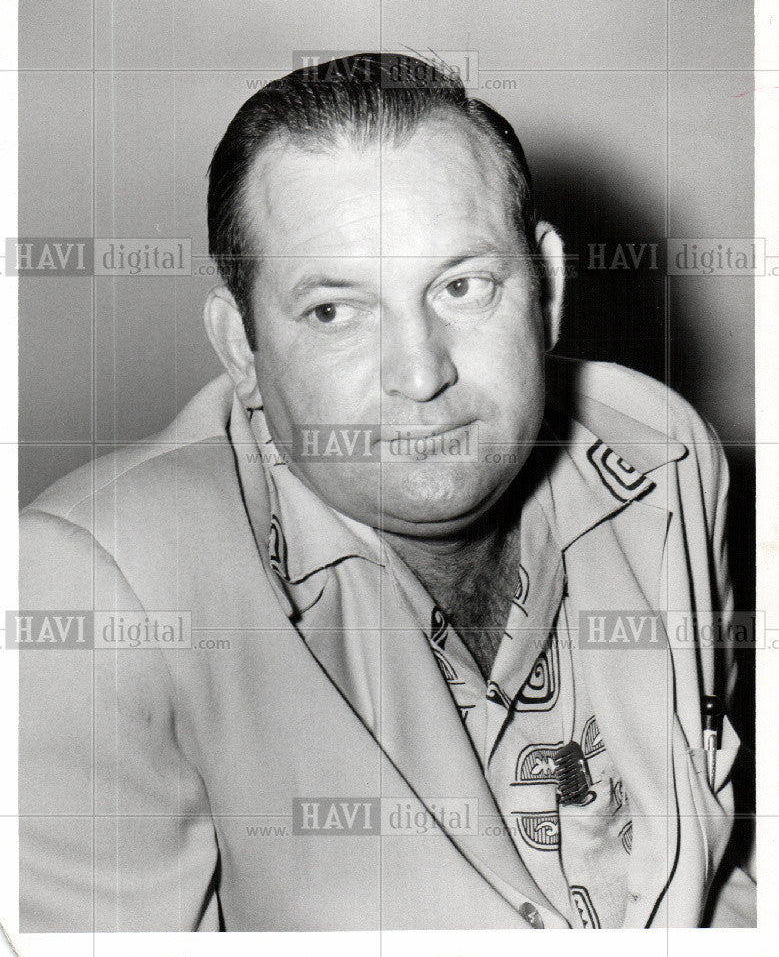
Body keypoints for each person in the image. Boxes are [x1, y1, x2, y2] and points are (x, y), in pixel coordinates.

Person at [19, 53, 755, 931]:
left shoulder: (662, 453)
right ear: (242, 349)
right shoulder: (97, 587)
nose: (419, 373)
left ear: (547, 290)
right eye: (335, 310)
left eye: (462, 286)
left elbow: (717, 876)